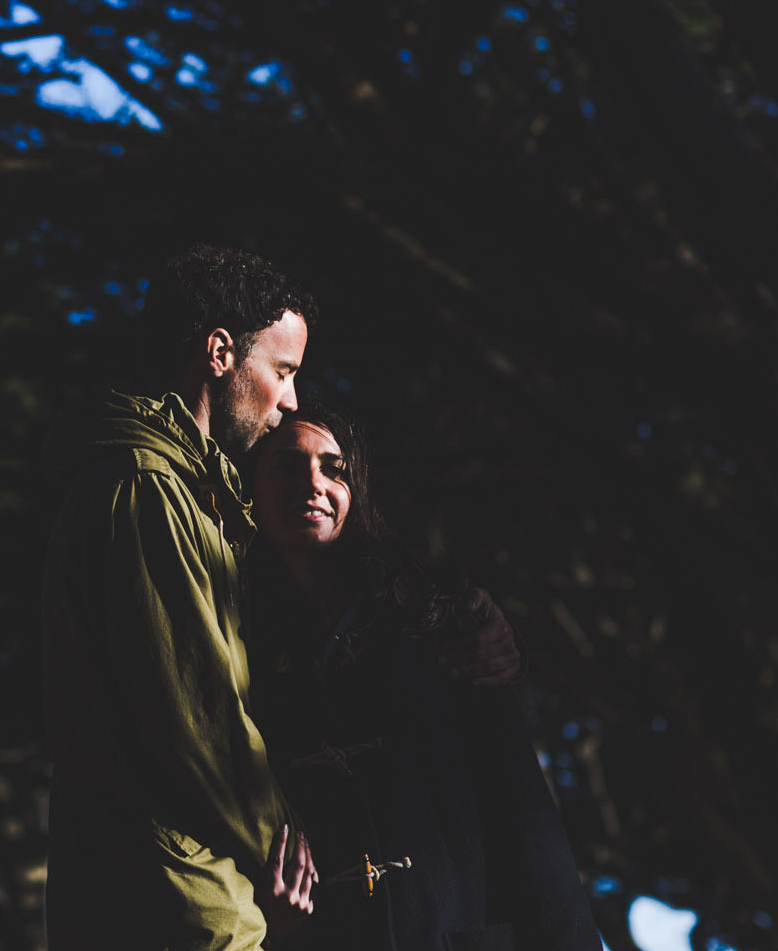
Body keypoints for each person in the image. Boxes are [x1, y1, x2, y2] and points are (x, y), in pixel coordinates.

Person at [41, 244, 321, 951]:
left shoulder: (181, 493)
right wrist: (289, 849)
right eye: (282, 371)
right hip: (176, 902)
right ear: (220, 352)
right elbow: (200, 720)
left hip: (180, 891)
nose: (290, 402)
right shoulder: (147, 491)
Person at [244, 402, 602, 951]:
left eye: (333, 468)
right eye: (288, 467)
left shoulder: (437, 619)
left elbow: (525, 815)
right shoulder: (243, 643)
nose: (313, 483)